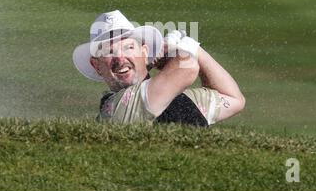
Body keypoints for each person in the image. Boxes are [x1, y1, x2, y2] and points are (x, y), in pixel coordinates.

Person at [72, 10, 245, 126]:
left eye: (128, 48)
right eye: (109, 52)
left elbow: (234, 99)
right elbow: (187, 68)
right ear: (96, 66)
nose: (120, 58)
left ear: (145, 52)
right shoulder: (119, 105)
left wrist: (193, 47)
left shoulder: (177, 98)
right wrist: (181, 46)